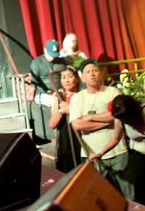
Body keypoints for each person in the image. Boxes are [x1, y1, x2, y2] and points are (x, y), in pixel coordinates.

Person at [70, 59, 132, 197]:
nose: (92, 74)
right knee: (101, 196)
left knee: (128, 194)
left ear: (100, 73)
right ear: (82, 78)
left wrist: (88, 117)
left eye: (95, 71)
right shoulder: (77, 98)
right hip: (91, 154)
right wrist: (105, 123)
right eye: (88, 72)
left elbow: (116, 114)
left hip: (118, 152)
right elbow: (77, 125)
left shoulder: (113, 92)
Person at [48, 66, 82, 173]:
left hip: (81, 136)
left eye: (70, 76)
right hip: (65, 139)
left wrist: (70, 109)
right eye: (63, 77)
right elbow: (52, 124)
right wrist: (61, 110)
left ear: (76, 79)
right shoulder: (58, 97)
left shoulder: (83, 95)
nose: (67, 80)